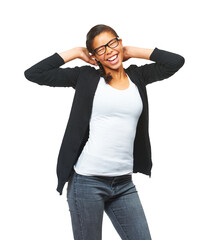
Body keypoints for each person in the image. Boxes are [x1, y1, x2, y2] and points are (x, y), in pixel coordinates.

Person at [24, 24, 185, 240]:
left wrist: (130, 51)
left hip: (124, 183)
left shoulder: (138, 76)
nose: (109, 51)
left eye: (112, 43)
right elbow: (34, 73)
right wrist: (76, 53)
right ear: (94, 56)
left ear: (120, 41)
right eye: (101, 49)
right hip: (87, 182)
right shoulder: (86, 77)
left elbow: (176, 62)